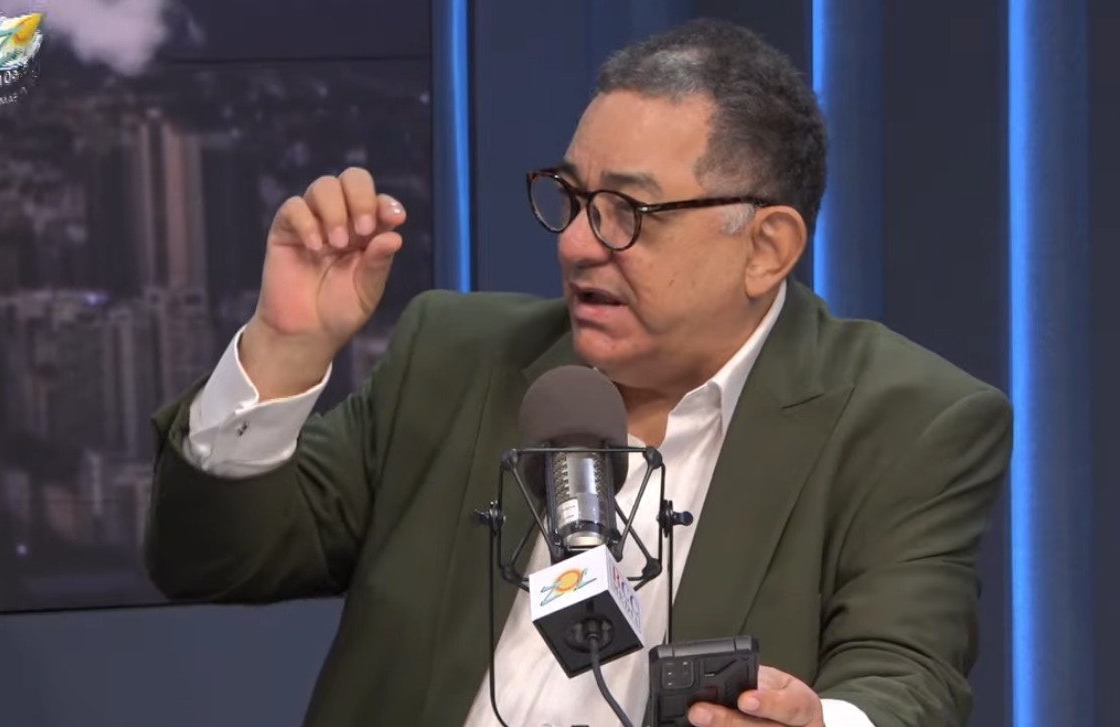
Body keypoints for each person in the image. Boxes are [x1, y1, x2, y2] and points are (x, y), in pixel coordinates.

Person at [143, 18, 1012, 727]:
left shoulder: (907, 421)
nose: (575, 244)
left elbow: (908, 677)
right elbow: (211, 559)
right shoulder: (453, 358)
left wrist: (822, 723)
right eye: (570, 197)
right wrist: (284, 348)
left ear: (766, 248)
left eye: (625, 210)